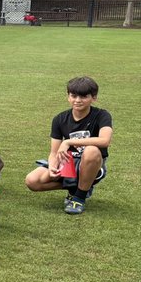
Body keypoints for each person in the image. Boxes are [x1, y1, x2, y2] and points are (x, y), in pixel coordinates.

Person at [24, 76, 111, 214]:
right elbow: (54, 152)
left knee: (91, 151)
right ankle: (75, 188)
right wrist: (53, 166)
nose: (77, 100)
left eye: (83, 96)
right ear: (68, 96)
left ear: (93, 98)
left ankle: (79, 198)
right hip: (68, 162)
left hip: (91, 164)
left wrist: (69, 141)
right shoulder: (59, 119)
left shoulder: (101, 115)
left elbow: (104, 141)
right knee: (32, 181)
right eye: (74, 96)